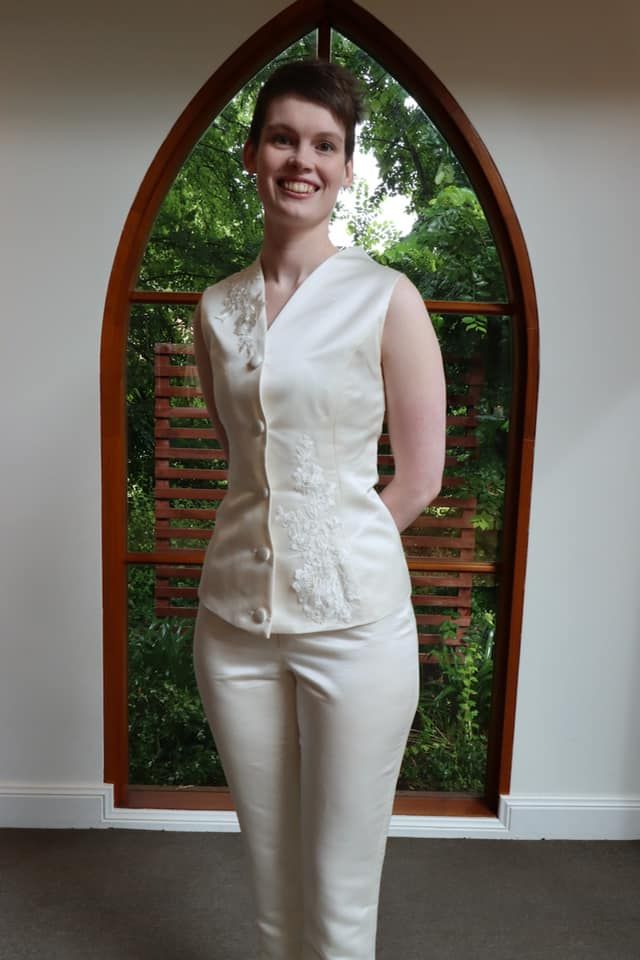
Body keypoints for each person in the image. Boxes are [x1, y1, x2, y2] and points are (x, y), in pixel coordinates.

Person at [191, 59, 447, 960]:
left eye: (325, 145)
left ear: (345, 168)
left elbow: (419, 478)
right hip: (232, 627)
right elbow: (241, 461)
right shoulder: (215, 310)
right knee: (271, 886)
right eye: (283, 137)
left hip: (356, 629)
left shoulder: (388, 298)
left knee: (340, 903)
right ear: (254, 153)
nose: (303, 158)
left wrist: (332, 552)